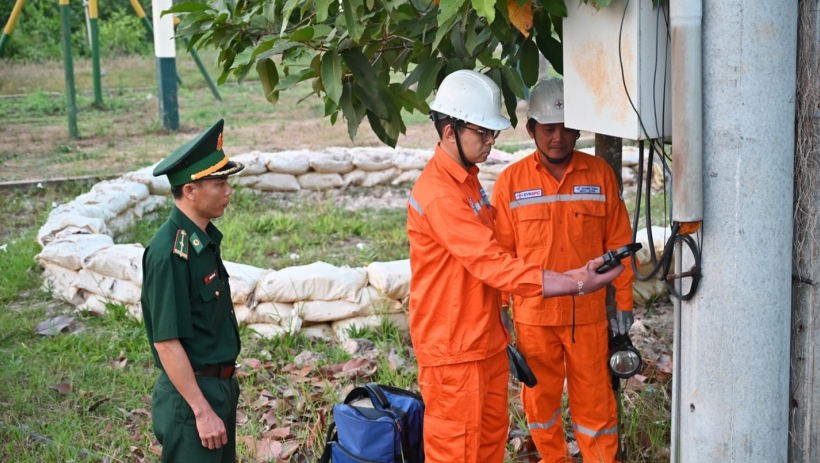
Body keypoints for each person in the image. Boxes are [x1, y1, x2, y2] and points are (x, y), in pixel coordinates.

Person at [406, 69, 625, 463]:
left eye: (494, 134)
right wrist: (574, 281)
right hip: (456, 349)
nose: (491, 141)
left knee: (489, 444)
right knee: (459, 451)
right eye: (483, 133)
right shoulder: (440, 195)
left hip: (486, 342)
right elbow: (494, 263)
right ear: (450, 130)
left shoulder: (468, 183)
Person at [492, 78, 636, 463]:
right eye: (549, 128)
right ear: (531, 129)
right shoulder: (510, 182)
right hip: (533, 318)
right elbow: (501, 257)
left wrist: (624, 300)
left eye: (567, 128)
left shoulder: (600, 174)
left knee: (596, 405)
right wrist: (500, 315)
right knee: (541, 403)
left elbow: (619, 246)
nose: (559, 137)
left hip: (588, 318)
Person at [141, 119, 245, 463]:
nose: (229, 191)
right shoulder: (170, 252)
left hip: (217, 389)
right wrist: (202, 411)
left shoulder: (202, 242)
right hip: (192, 399)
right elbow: (166, 343)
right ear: (190, 190)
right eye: (219, 183)